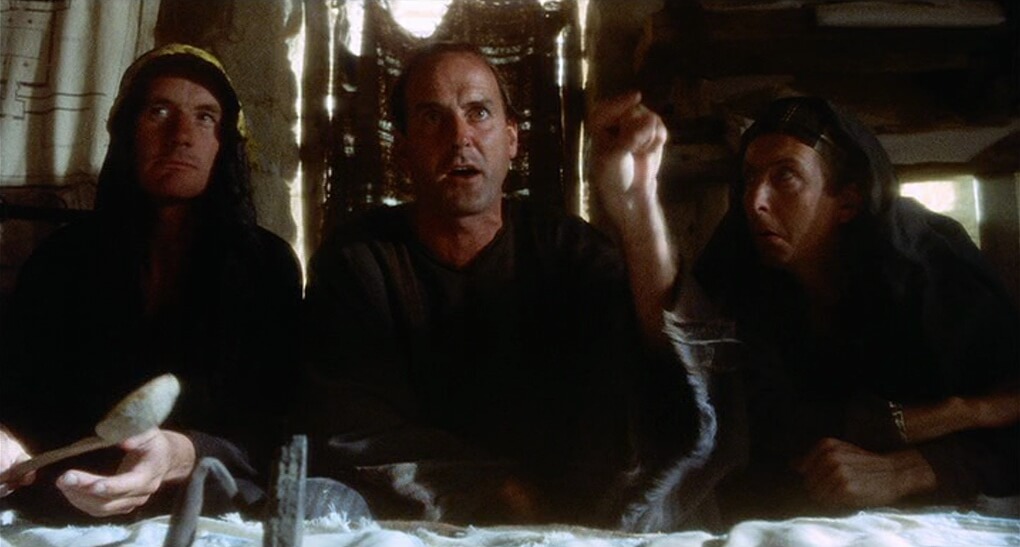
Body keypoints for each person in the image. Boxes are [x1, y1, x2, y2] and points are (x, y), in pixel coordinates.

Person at [299, 42, 725, 529]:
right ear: (402, 150)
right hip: (419, 517)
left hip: (567, 514)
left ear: (512, 140)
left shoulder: (567, 249)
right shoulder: (359, 261)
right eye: (433, 118)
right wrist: (498, 490)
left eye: (478, 113)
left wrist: (637, 204)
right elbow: (349, 422)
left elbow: (665, 365)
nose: (460, 138)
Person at [0, 44, 303, 522]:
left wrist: (180, 453)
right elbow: (19, 394)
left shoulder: (266, 267)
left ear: (224, 143)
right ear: (127, 135)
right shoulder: (60, 261)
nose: (181, 136)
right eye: (158, 112)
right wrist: (6, 439)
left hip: (209, 511)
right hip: (66, 503)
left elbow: (275, 424)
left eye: (205, 117)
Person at [691, 96, 1020, 522]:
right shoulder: (739, 268)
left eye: (785, 176)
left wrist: (909, 470)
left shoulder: (926, 271)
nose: (754, 200)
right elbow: (750, 419)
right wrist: (962, 412)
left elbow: (1011, 416)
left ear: (847, 202)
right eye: (749, 177)